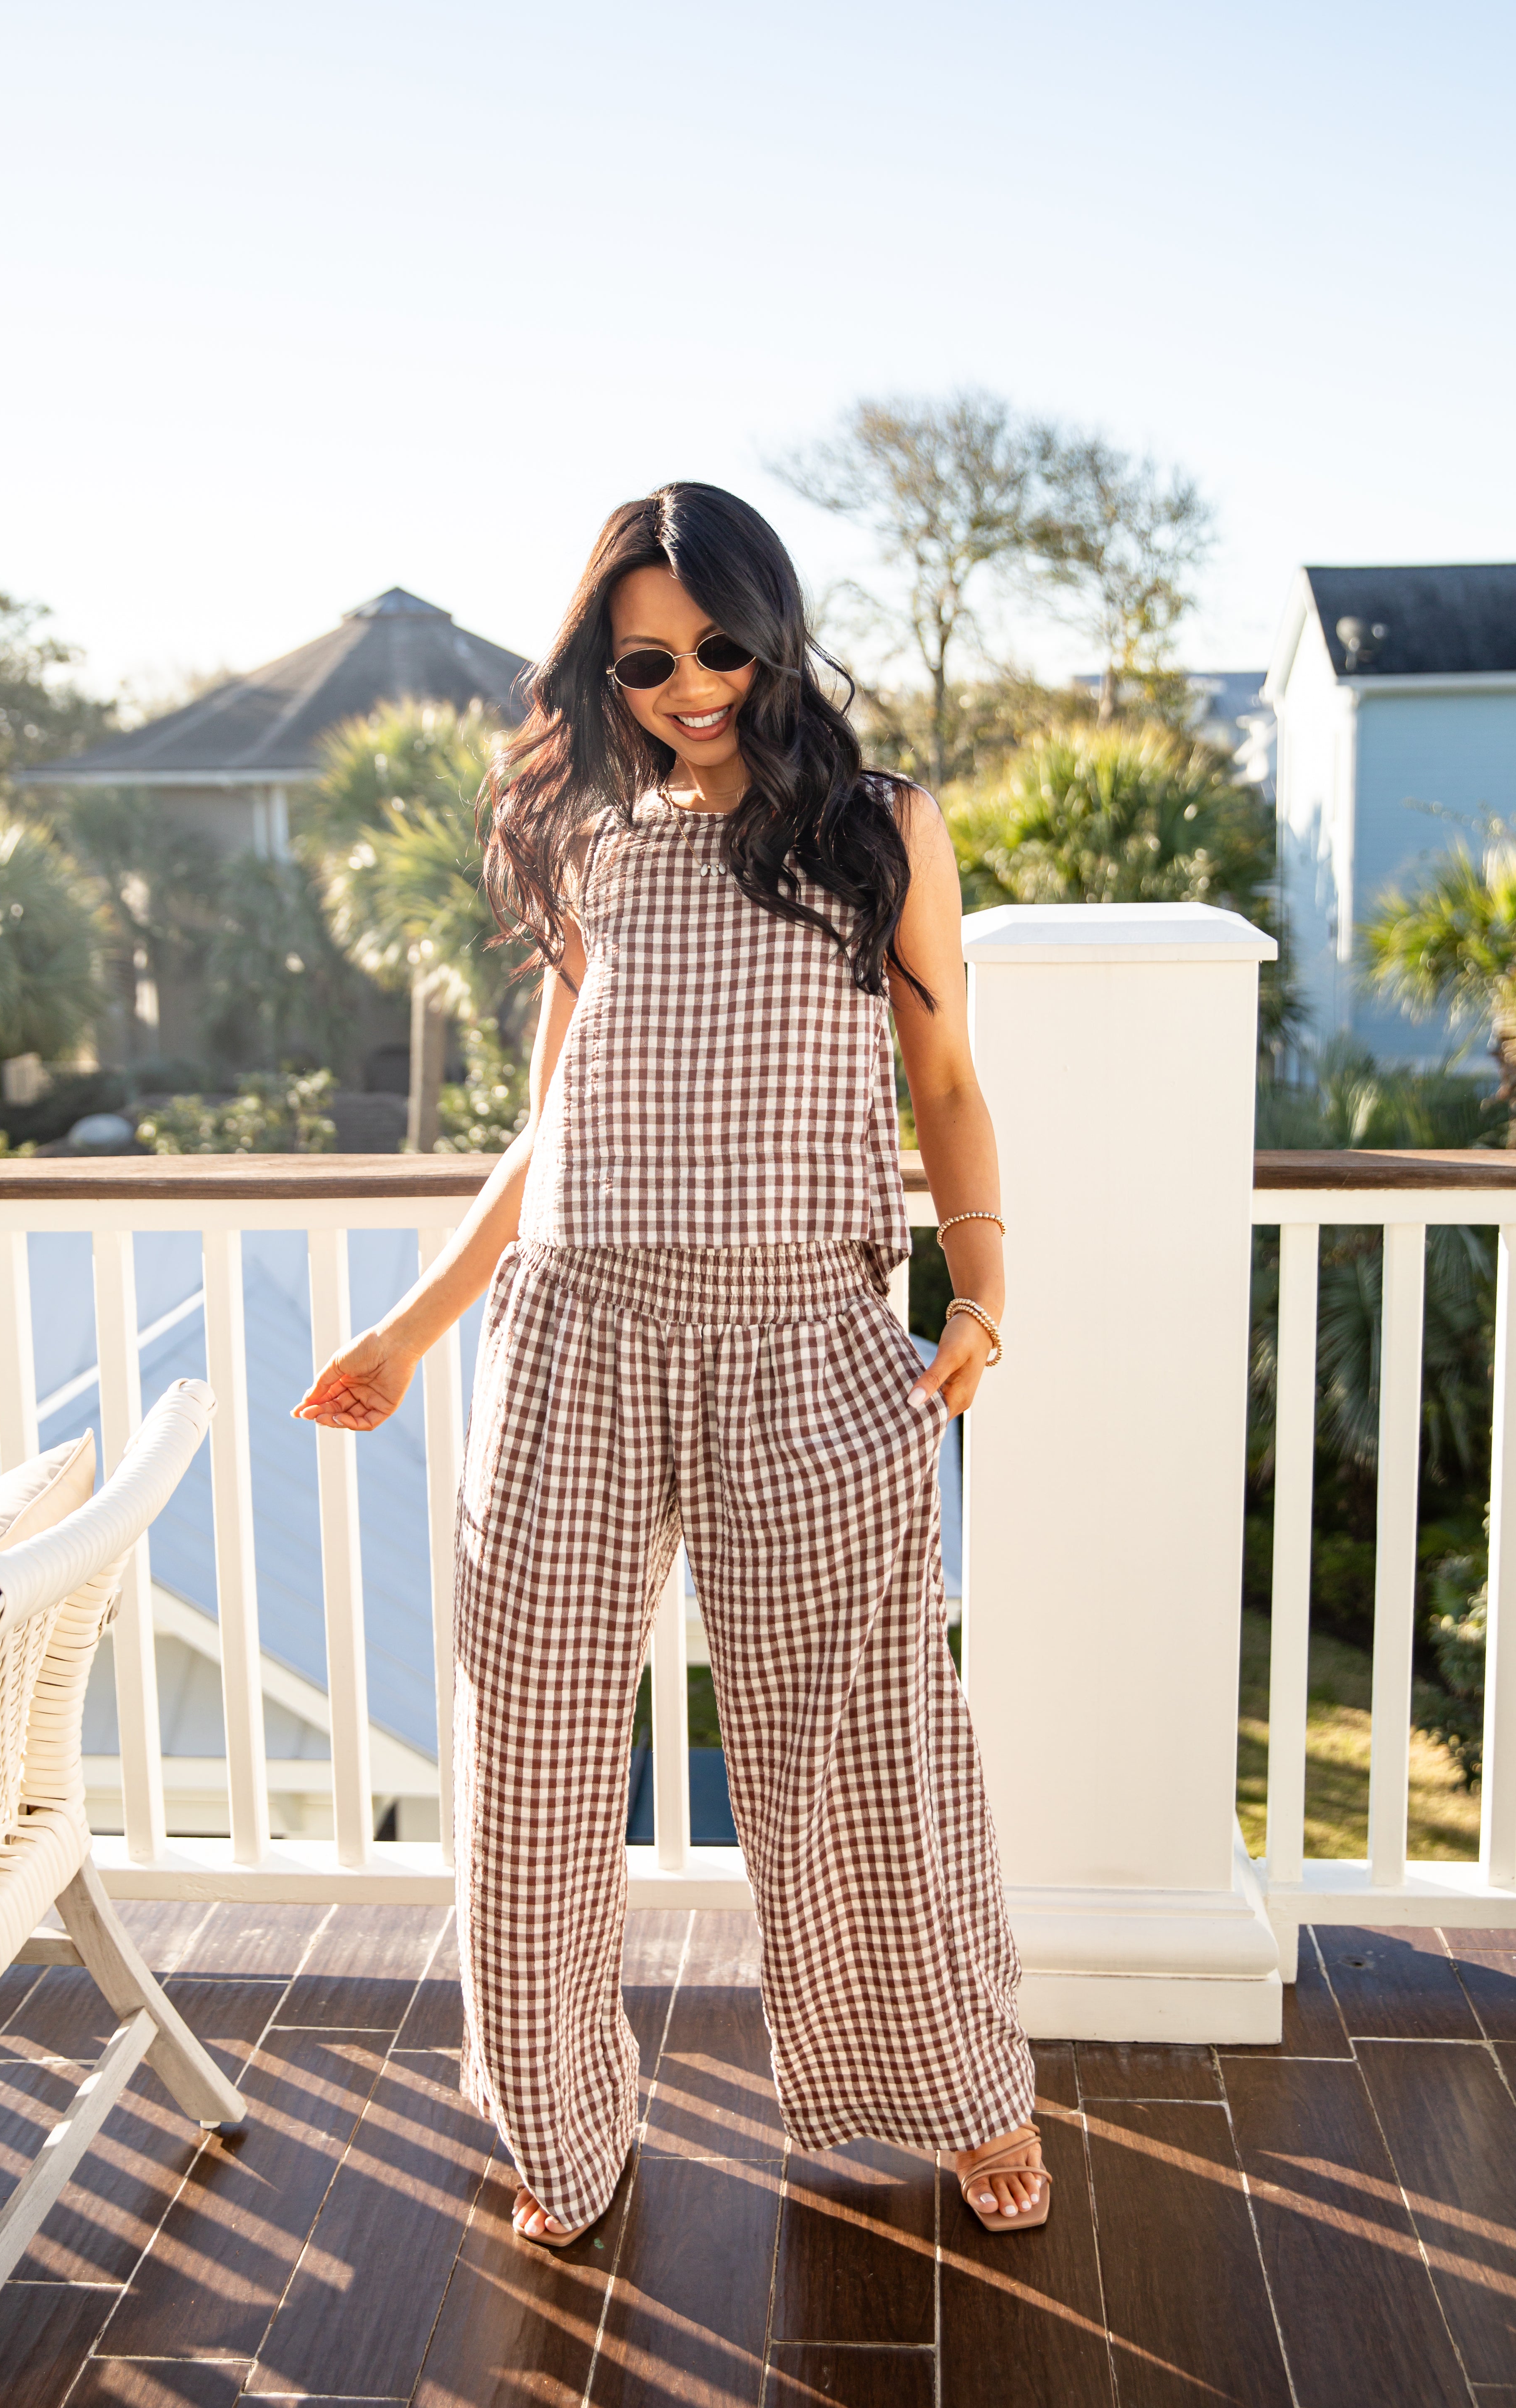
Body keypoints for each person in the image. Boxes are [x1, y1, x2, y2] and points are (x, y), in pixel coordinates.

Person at [294, 482, 1047, 2245]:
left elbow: (947, 1088)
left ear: (773, 634)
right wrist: (414, 1331)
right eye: (649, 659)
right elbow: (549, 1123)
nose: (691, 684)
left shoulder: (881, 829)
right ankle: (561, 2127)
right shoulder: (588, 835)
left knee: (866, 1749)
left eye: (719, 647)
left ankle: (958, 2092)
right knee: (537, 1751)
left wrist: (980, 1294)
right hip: (575, 1335)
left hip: (810, 1332)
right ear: (604, 665)